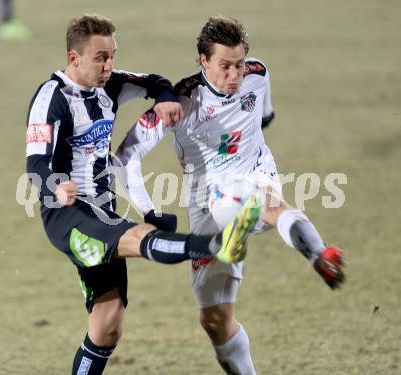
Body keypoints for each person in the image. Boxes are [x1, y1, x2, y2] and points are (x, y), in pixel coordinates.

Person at [25, 14, 260, 375]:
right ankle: (211, 246)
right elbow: (36, 165)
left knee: (108, 324)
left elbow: (154, 81)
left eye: (113, 56)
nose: (109, 66)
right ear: (74, 59)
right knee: (138, 238)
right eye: (100, 58)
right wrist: (56, 184)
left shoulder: (111, 84)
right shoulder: (51, 99)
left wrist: (166, 98)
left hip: (103, 211)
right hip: (67, 214)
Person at [115, 15, 346, 375]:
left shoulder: (258, 74)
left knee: (258, 202)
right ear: (203, 61)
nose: (235, 75)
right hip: (204, 199)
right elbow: (125, 159)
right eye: (225, 66)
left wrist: (317, 253)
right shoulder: (182, 100)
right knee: (214, 321)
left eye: (239, 64)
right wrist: (149, 210)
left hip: (256, 174)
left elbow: (264, 115)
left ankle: (317, 252)